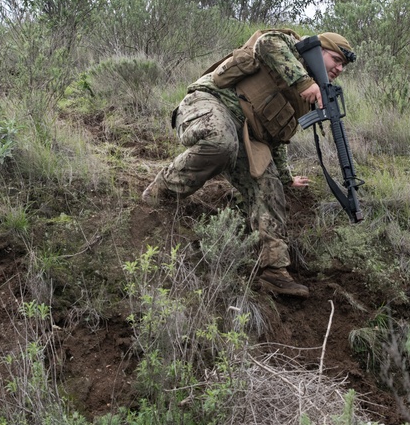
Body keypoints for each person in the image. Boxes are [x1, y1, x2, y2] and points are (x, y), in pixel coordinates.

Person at [142, 29, 355, 298]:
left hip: (248, 135)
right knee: (221, 143)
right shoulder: (292, 47)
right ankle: (161, 192)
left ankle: (275, 271)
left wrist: (287, 176)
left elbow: (278, 135)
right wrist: (304, 83)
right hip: (210, 103)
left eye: (343, 66)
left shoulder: (309, 92)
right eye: (336, 59)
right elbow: (267, 43)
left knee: (270, 190)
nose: (339, 68)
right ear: (319, 50)